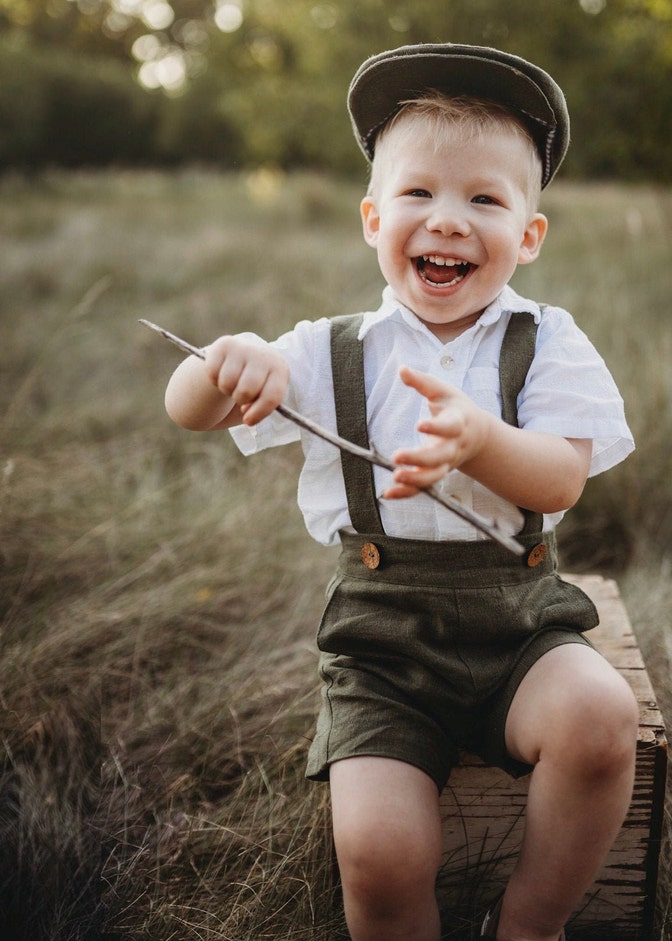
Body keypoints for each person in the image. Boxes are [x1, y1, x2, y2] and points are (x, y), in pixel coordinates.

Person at [163, 43, 638, 941]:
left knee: (603, 717)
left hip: (518, 625)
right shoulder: (330, 350)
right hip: (381, 648)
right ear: (374, 217)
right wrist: (227, 362)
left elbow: (563, 473)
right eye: (419, 194)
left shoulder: (546, 340)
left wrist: (483, 441)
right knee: (380, 850)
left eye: (485, 200)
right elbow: (190, 409)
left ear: (529, 235)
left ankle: (532, 922)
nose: (448, 221)